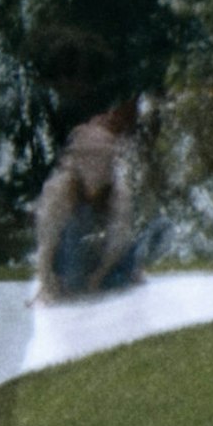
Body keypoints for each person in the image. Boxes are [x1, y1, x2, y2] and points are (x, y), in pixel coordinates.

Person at [33, 109, 147, 302]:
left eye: (101, 156)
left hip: (100, 259)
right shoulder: (59, 188)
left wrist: (98, 277)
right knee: (81, 219)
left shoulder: (119, 190)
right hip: (71, 257)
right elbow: (47, 240)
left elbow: (117, 240)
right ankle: (72, 282)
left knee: (158, 231)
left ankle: (124, 274)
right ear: (76, 159)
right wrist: (45, 284)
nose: (95, 163)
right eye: (88, 156)